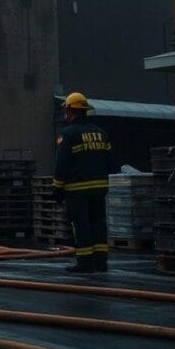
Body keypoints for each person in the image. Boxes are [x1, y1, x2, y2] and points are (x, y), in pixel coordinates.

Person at [53, 92, 115, 274]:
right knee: (98, 223)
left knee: (81, 225)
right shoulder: (101, 134)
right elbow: (110, 161)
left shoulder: (67, 135)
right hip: (99, 188)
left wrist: (57, 187)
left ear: (71, 111)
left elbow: (61, 164)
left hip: (76, 190)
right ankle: (101, 263)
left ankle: (85, 263)